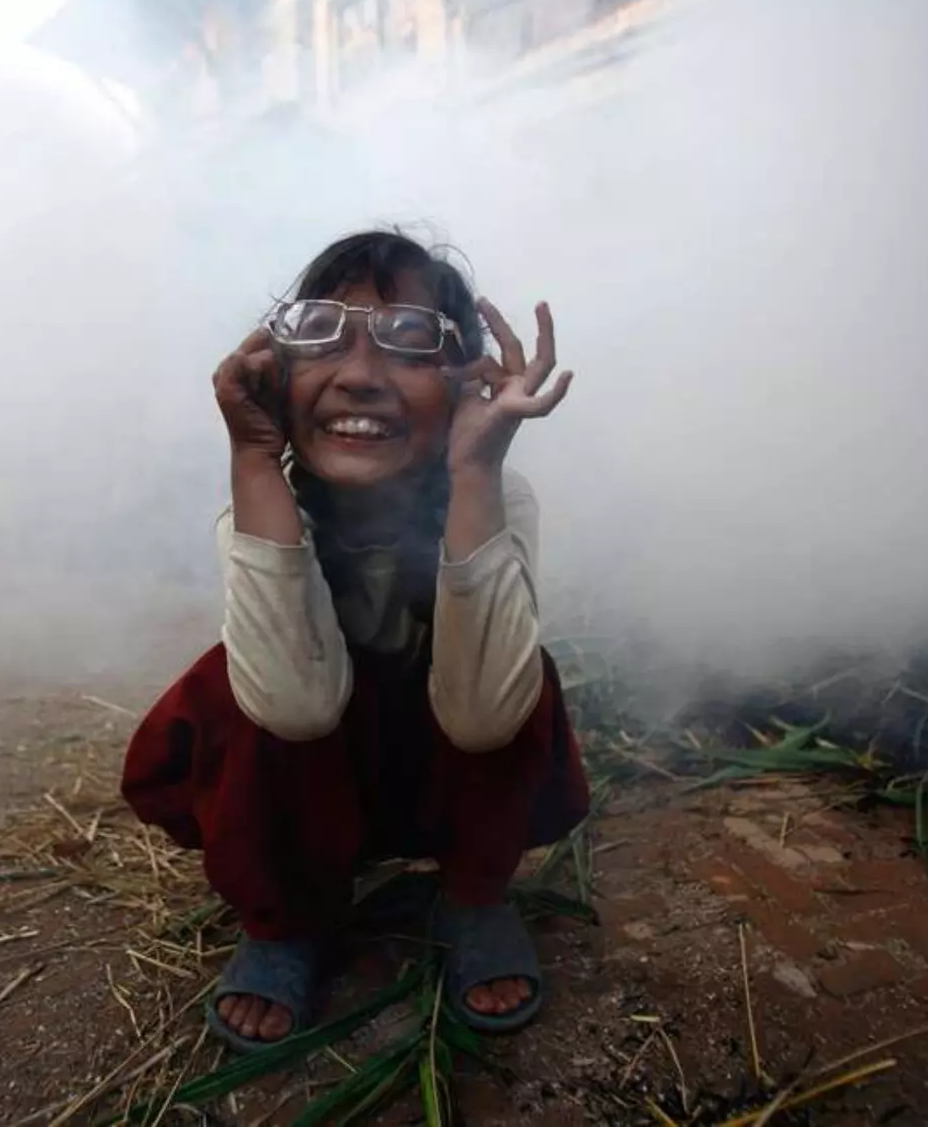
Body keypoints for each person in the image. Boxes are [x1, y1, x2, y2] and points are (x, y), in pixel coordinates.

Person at [120, 229, 590, 1051]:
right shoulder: (265, 503)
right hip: (316, 762)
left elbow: (485, 715)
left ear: (464, 383)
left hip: (441, 751)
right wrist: (254, 459)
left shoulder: (496, 495)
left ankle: (474, 898)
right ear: (276, 373)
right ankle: (288, 916)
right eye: (319, 335)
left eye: (411, 341)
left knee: (520, 677)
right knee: (238, 692)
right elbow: (294, 706)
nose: (361, 375)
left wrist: (475, 473)